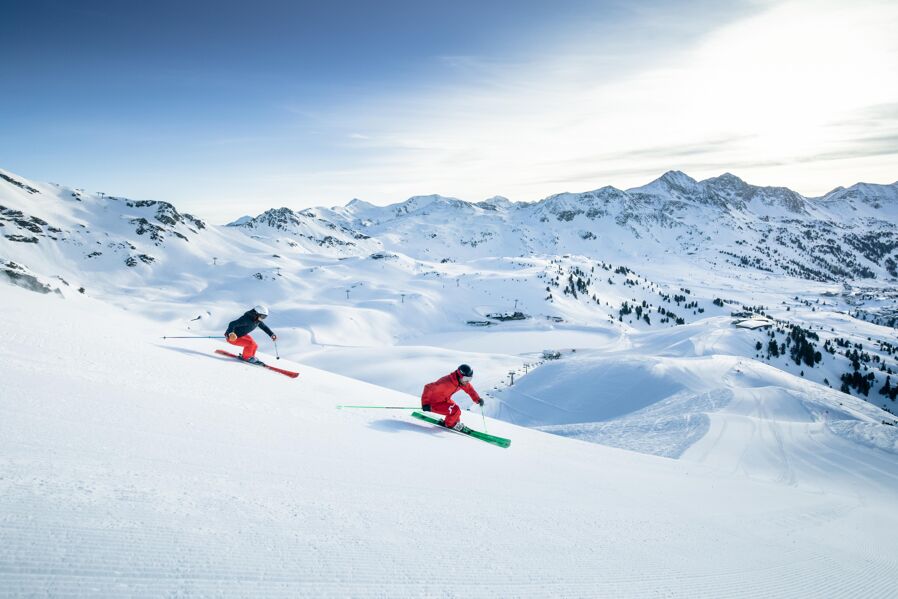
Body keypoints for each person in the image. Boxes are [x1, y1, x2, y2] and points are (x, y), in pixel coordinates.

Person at [421, 364, 484, 432]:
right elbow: (428, 387)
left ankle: (455, 423)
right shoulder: (445, 382)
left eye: (470, 379)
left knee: (456, 412)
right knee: (455, 410)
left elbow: (470, 389)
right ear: (460, 375)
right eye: (466, 379)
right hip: (433, 403)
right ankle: (449, 425)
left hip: (444, 400)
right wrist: (425, 403)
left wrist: (478, 399)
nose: (467, 381)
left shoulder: (461, 382)